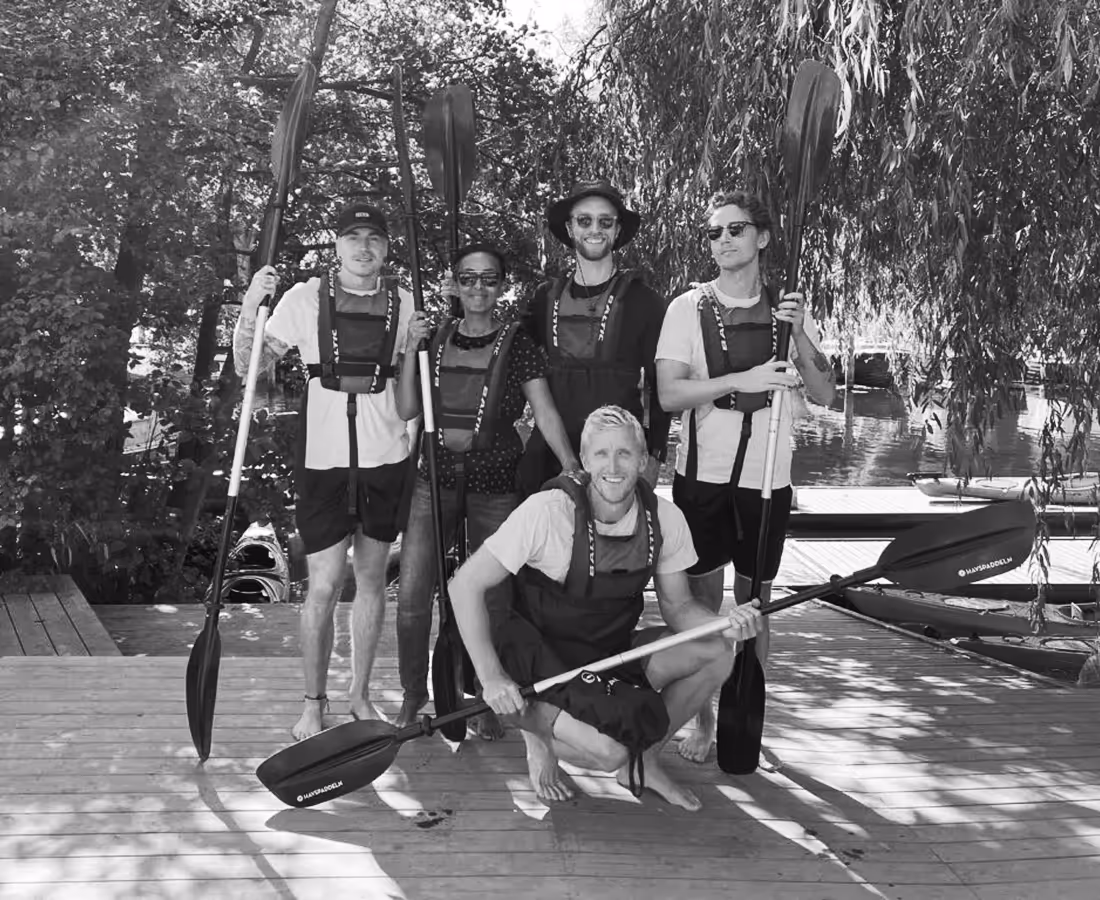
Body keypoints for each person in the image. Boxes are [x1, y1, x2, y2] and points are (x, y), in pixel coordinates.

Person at [448, 405, 764, 812]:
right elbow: (465, 586)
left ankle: (644, 760)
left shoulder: (664, 518)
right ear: (584, 460)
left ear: (645, 461)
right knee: (610, 751)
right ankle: (538, 733)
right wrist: (491, 677)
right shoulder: (547, 511)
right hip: (541, 662)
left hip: (608, 653)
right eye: (601, 454)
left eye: (625, 454)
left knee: (718, 651)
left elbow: (680, 606)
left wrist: (724, 624)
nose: (613, 466)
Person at [655, 189, 835, 763]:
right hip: (701, 478)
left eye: (736, 229)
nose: (724, 240)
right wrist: (743, 379)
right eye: (714, 232)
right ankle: (702, 721)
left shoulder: (788, 307)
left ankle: (744, 714)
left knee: (755, 602)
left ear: (761, 236)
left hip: (767, 479)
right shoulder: (688, 308)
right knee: (704, 601)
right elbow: (668, 394)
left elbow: (826, 391)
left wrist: (801, 332)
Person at [234, 201, 414, 741]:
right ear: (336, 245)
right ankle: (313, 704)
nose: (364, 248)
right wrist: (250, 305)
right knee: (324, 585)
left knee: (372, 583)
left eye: (374, 239)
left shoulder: (406, 303)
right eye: (353, 237)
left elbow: (414, 382)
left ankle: (360, 697)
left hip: (386, 458)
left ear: (385, 248)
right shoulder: (304, 297)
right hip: (324, 461)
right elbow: (250, 367)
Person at [394, 243, 578, 734]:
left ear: (502, 286)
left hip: (495, 485)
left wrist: (572, 465)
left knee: (494, 598)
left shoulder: (519, 346)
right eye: (468, 278)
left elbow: (545, 411)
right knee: (413, 593)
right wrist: (411, 351)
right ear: (454, 284)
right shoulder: (431, 338)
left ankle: (483, 697)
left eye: (489, 279)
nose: (478, 288)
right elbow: (407, 409)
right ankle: (414, 695)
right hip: (432, 482)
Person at [516, 180, 670, 494]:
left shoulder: (645, 302)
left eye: (605, 222)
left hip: (615, 458)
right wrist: (457, 306)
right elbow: (508, 353)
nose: (594, 229)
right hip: (552, 455)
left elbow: (660, 390)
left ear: (616, 231)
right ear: (570, 229)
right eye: (584, 220)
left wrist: (653, 457)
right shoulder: (545, 298)